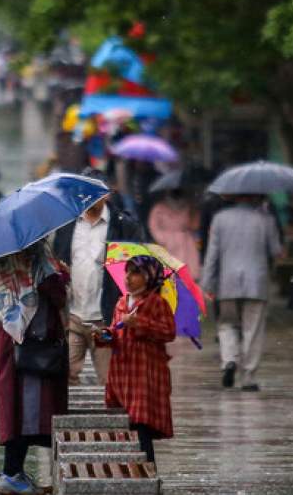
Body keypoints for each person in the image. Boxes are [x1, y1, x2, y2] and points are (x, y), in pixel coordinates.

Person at [53, 172, 147, 386]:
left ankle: (118, 416)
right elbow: (56, 260)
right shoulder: (67, 226)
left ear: (107, 194)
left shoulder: (124, 226)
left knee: (110, 379)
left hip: (106, 319)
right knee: (63, 377)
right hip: (73, 317)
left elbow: (141, 268)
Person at [0, 240, 69, 495]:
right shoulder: (36, 255)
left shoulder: (3, 252)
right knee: (28, 409)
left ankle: (13, 471)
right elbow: (55, 291)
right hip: (31, 342)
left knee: (17, 406)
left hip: (11, 335)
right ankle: (12, 473)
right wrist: (62, 274)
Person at [95, 255, 175, 462]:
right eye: (127, 272)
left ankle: (147, 471)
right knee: (124, 423)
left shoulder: (157, 303)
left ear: (148, 277)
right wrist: (105, 335)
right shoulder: (122, 302)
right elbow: (115, 331)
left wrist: (140, 322)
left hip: (145, 374)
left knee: (141, 423)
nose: (128, 277)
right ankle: (129, 470)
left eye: (136, 273)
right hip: (122, 373)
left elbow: (168, 332)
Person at [201, 195, 283, 391]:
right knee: (252, 329)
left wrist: (207, 284)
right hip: (256, 283)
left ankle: (229, 360)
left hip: (226, 282)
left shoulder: (220, 218)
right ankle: (248, 377)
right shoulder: (266, 219)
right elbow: (276, 251)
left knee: (227, 324)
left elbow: (212, 255)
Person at [148, 189, 201, 280]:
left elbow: (195, 225)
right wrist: (163, 239)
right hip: (171, 243)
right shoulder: (159, 208)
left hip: (185, 243)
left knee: (186, 273)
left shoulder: (188, 206)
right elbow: (153, 226)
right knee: (170, 272)